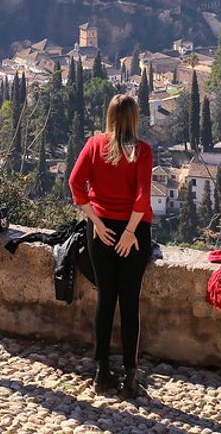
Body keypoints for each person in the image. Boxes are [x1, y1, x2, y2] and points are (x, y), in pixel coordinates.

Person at [68, 93, 154, 397]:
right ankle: (131, 373)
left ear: (110, 116)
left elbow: (75, 184)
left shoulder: (94, 145)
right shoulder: (142, 152)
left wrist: (98, 223)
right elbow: (142, 197)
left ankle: (101, 370)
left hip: (100, 233)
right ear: (133, 118)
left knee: (106, 299)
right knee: (129, 303)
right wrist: (130, 232)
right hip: (134, 231)